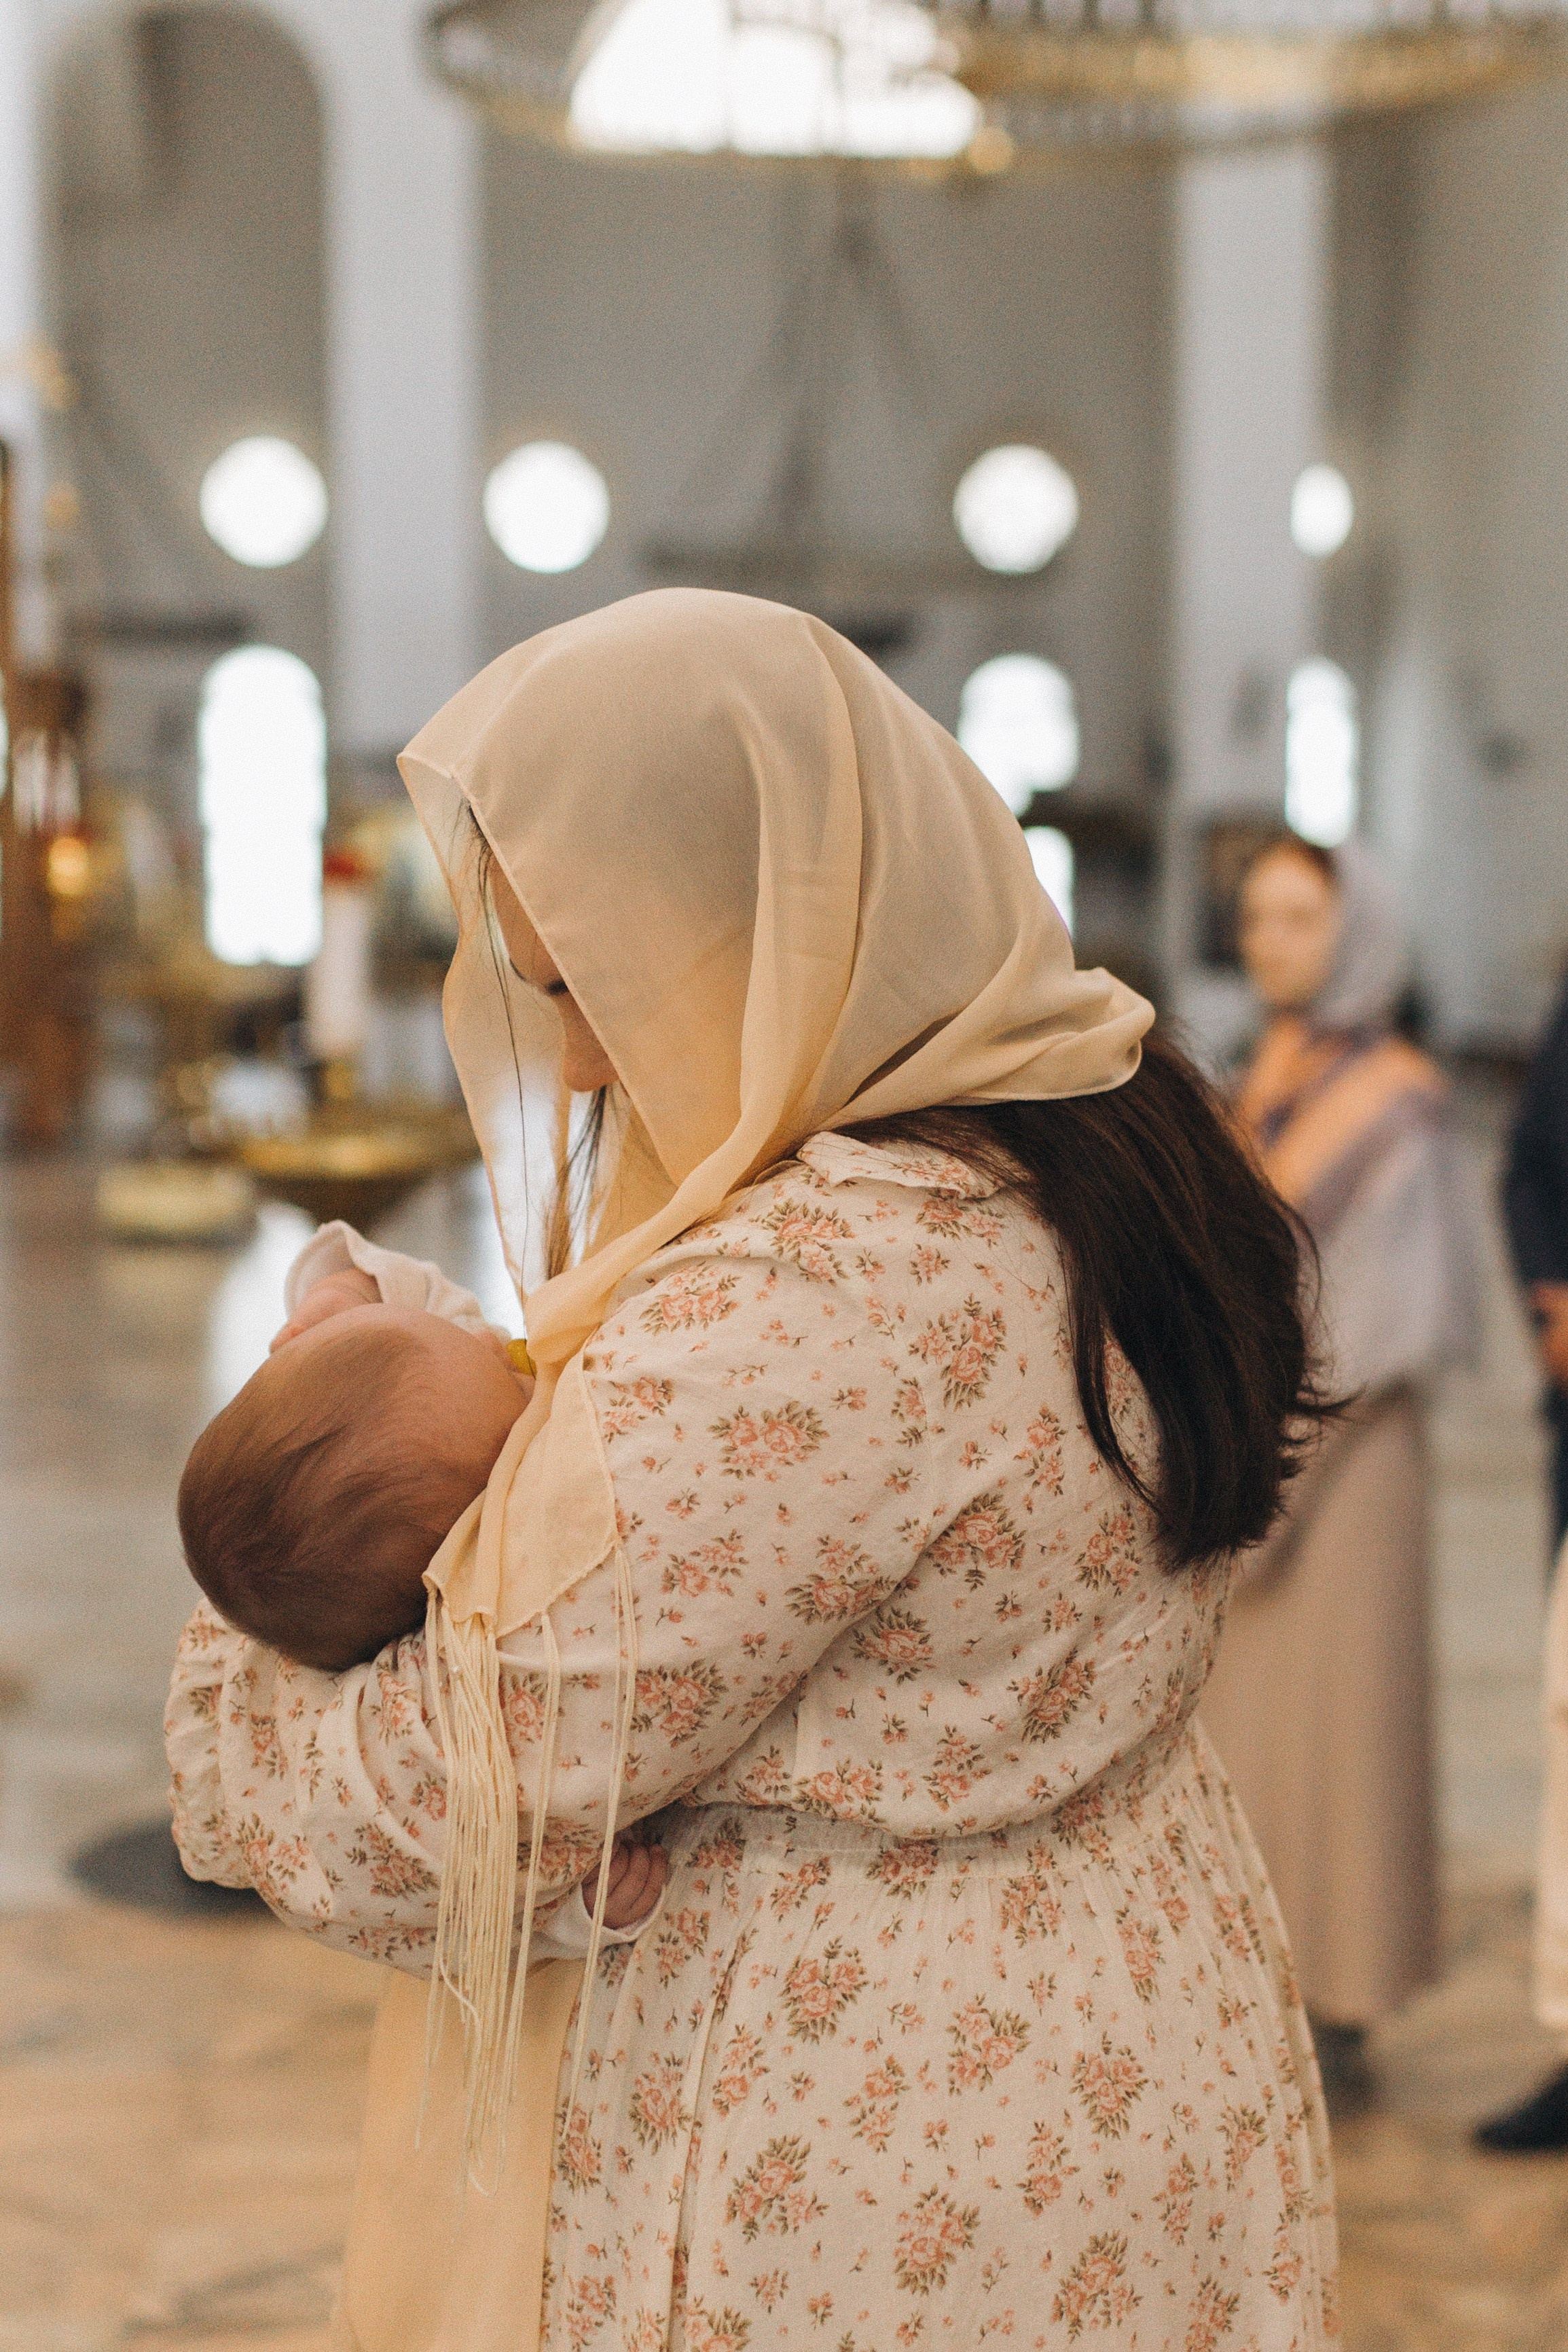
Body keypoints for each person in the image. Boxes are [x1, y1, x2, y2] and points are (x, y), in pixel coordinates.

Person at [166, 590, 1339, 2352]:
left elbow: (440, 1801)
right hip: (1130, 2028)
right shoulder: (1098, 1104)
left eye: (584, 981)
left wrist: (222, 1683)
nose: (564, 1053)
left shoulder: (825, 1280)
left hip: (875, 2149)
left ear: (751, 919)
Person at [1201, 832, 1476, 2106]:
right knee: (1262, 1733)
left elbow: (1373, 1321)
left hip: (1343, 1454)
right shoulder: (1275, 1070)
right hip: (1270, 1433)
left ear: (1354, 930)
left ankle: (1343, 2006)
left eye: (1298, 918)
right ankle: (1257, 1989)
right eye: (1256, 917)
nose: (1269, 941)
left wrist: (1275, 1464)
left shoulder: (1398, 1100)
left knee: (1344, 1735)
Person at [176, 1282, 669, 1941]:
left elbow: (432, 1313)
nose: (502, 1345)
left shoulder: (453, 1376)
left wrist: (349, 1285)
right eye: (511, 1382)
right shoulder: (460, 1714)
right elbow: (441, 1893)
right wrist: (576, 1912)